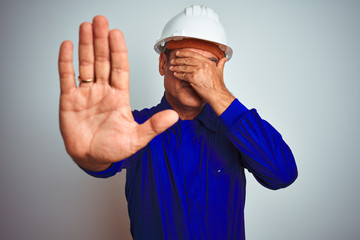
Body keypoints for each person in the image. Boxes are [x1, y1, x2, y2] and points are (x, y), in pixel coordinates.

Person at [58, 5, 297, 240]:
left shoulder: (236, 130)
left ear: (220, 72)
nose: (194, 75)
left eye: (206, 66)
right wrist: (90, 156)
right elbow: (104, 156)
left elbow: (283, 174)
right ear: (163, 64)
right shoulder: (136, 127)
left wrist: (219, 94)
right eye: (185, 61)